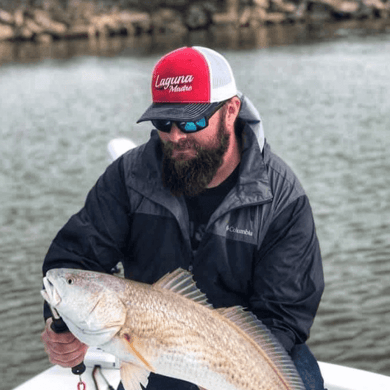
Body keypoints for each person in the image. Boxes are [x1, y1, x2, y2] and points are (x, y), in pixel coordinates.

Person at [41, 46, 326, 390]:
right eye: (164, 122)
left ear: (231, 110)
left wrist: (217, 372)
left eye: (192, 121)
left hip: (252, 353)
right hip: (156, 348)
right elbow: (74, 259)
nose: (176, 136)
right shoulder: (128, 177)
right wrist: (61, 325)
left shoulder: (280, 196)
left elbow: (284, 313)